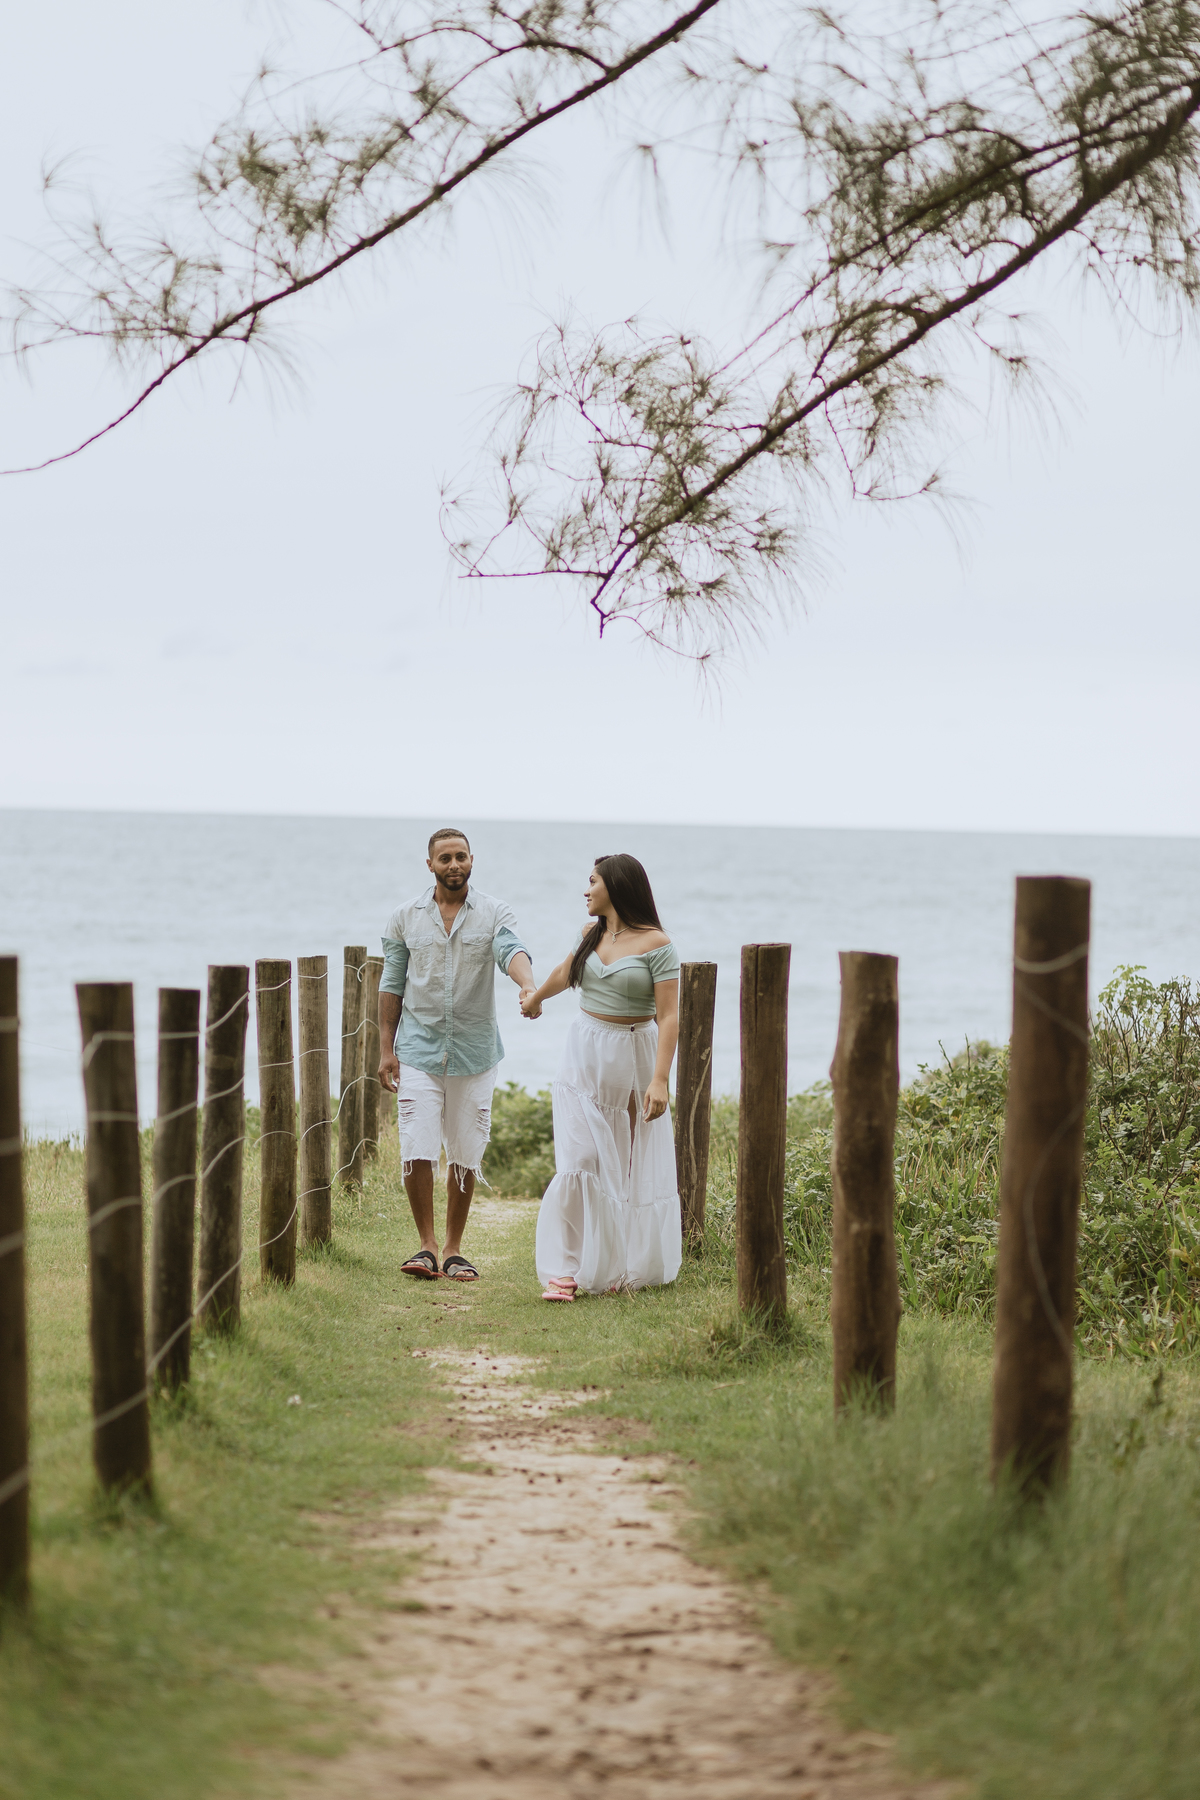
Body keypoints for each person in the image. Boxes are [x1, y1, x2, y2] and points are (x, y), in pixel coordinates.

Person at [520, 853, 681, 1300]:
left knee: (624, 1164)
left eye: (592, 881)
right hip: (583, 1053)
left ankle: (616, 1264)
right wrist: (537, 999)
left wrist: (660, 1079)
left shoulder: (657, 944)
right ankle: (568, 1269)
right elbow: (564, 971)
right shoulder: (590, 934)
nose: (586, 890)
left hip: (632, 1056)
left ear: (617, 885)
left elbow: (668, 1018)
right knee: (580, 1159)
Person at [378, 828, 537, 1281]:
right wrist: (386, 1051)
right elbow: (391, 982)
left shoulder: (493, 912)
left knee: (466, 1151)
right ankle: (426, 1246)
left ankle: (453, 1249)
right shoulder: (404, 918)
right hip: (418, 1050)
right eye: (444, 858)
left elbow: (511, 950)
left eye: (461, 857)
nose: (454, 865)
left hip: (475, 1051)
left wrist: (527, 984)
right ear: (429, 864)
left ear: (472, 860)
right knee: (418, 1144)